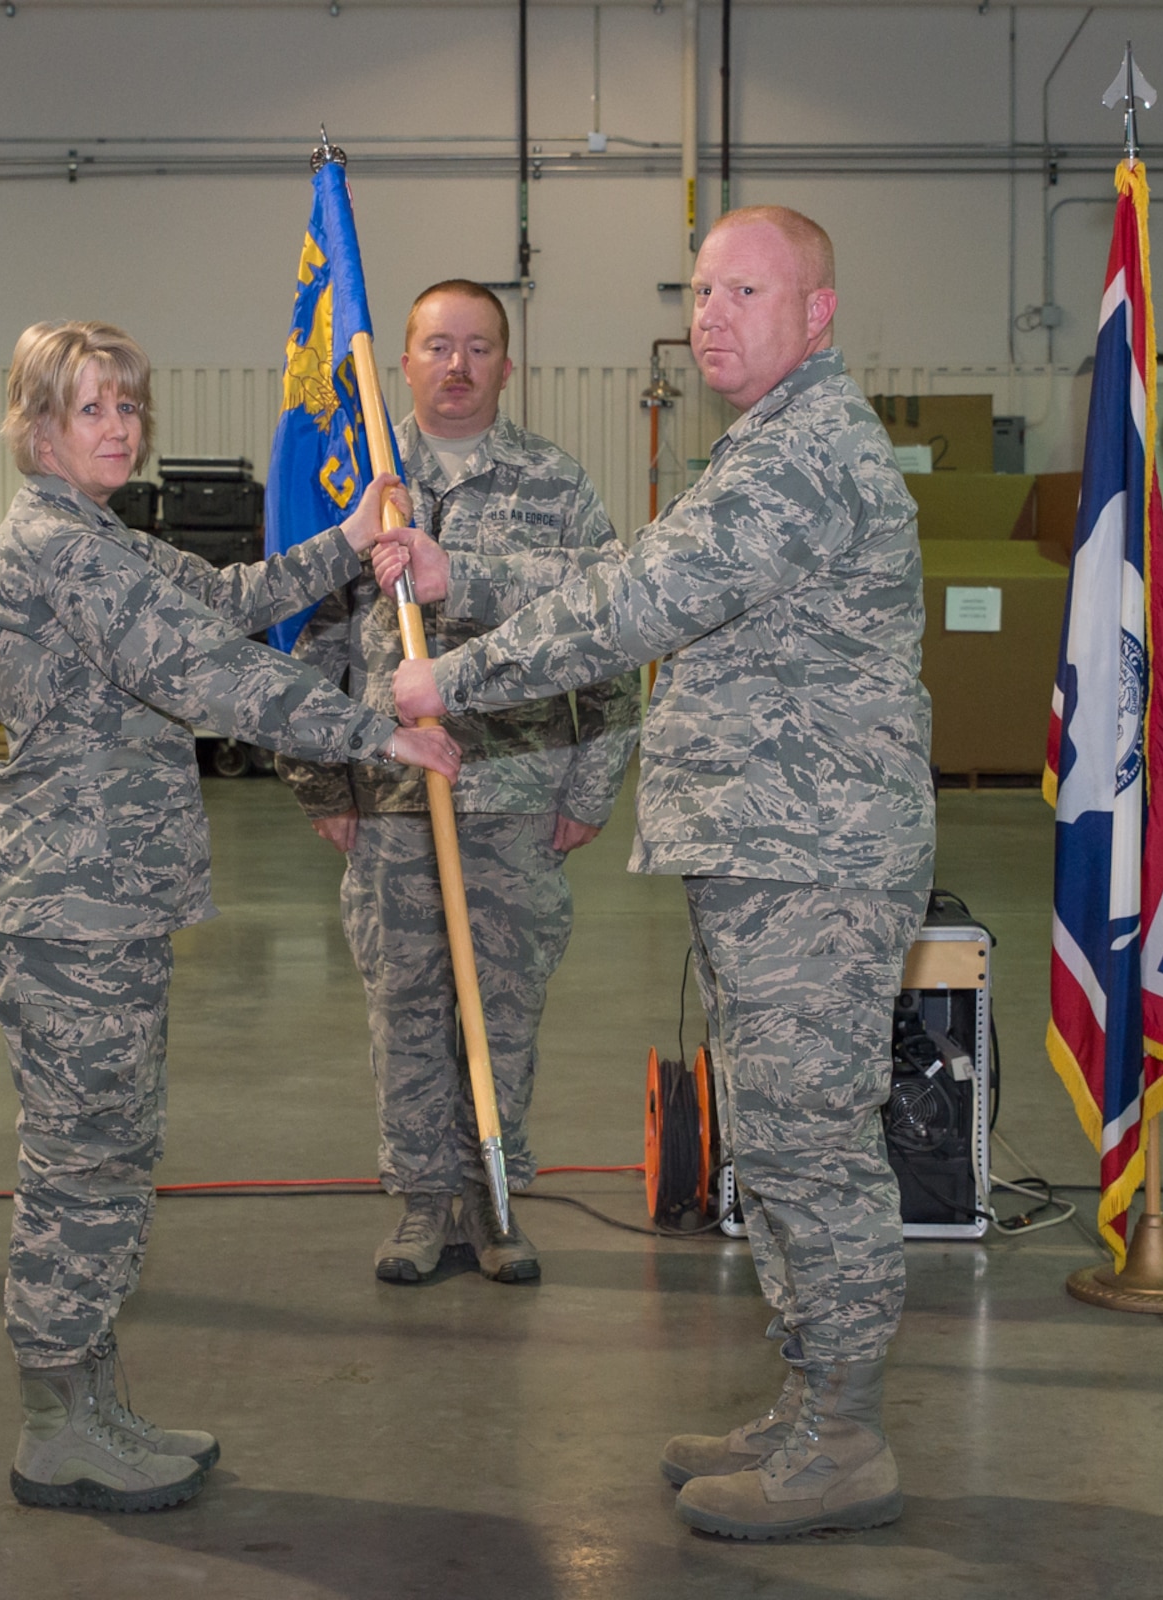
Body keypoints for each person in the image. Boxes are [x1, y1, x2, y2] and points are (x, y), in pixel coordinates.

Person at [394, 210, 935, 1540]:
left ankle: (847, 1437)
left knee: (812, 1151)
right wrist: (460, 571)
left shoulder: (805, 454)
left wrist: (447, 678)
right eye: (700, 290)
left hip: (812, 860)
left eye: (747, 289)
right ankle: (810, 1402)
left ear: (818, 314)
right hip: (770, 849)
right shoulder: (760, 446)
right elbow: (626, 569)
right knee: (777, 1141)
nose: (712, 315)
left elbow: (632, 606)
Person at [0, 320, 460, 1516]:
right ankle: (55, 1422)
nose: (118, 428)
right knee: (84, 1158)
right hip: (70, 896)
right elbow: (203, 672)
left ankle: (89, 1398)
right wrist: (373, 732)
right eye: (90, 409)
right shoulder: (56, 549)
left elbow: (230, 600)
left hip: (106, 892)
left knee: (113, 1148)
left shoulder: (103, 538)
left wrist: (344, 543)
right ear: (37, 428)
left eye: (128, 407)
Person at [275, 281, 640, 1286]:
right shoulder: (357, 485)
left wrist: (588, 784)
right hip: (390, 800)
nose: (457, 365)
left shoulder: (555, 485)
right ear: (402, 361)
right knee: (405, 1002)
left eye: (479, 348)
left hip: (517, 790)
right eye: (437, 346)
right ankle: (420, 1202)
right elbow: (302, 643)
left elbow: (609, 633)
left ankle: (494, 1198)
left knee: (505, 1003)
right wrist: (322, 782)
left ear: (506, 367)